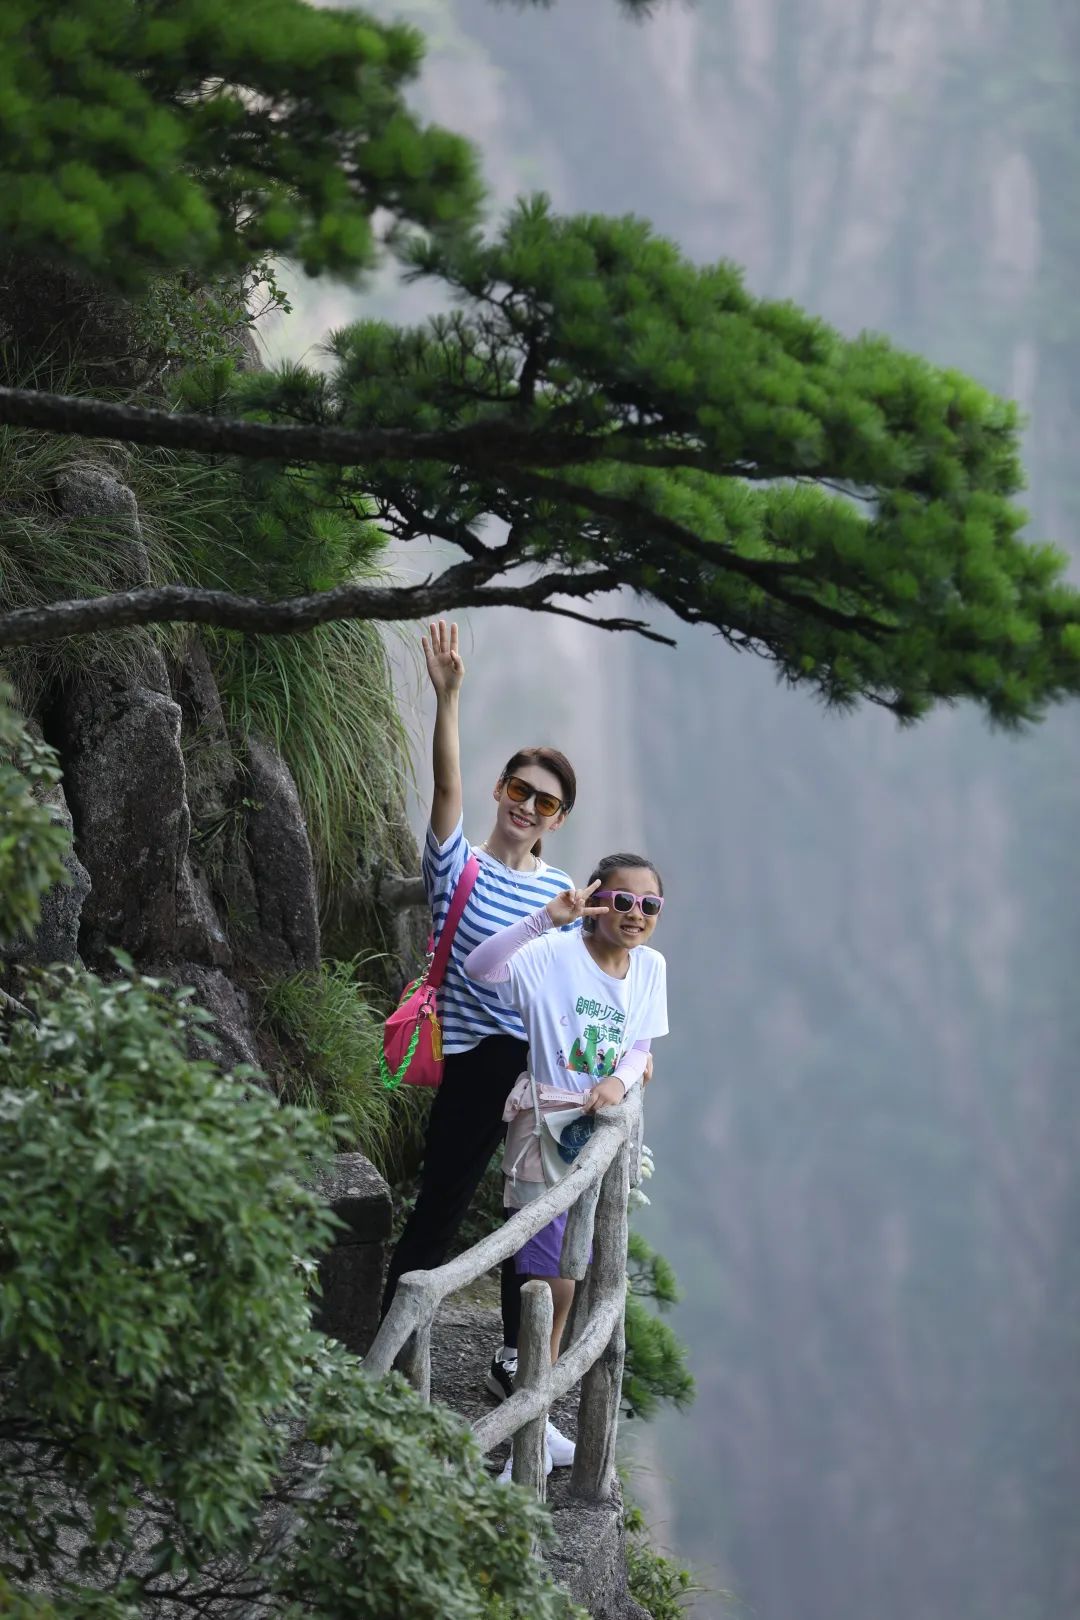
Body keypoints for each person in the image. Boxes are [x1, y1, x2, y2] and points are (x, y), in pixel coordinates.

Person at [381, 620, 581, 1459]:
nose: (526, 807)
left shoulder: (568, 888)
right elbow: (444, 791)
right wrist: (449, 696)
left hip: (537, 1066)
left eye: (545, 802)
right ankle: (392, 1348)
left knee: (529, 1214)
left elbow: (572, 986)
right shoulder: (458, 862)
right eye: (520, 789)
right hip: (473, 1059)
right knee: (444, 1204)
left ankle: (513, 1356)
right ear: (501, 788)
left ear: (557, 819)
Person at [462, 853, 668, 1482]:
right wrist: (545, 919)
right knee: (549, 1290)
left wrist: (619, 1078)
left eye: (649, 905)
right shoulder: (555, 955)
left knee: (566, 1284)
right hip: (546, 1133)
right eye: (621, 900)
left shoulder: (650, 969)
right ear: (596, 898)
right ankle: (528, 1435)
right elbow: (480, 968)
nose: (634, 914)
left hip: (596, 1144)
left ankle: (537, 1428)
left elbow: (641, 1046)